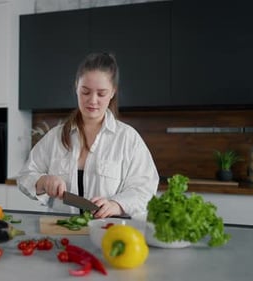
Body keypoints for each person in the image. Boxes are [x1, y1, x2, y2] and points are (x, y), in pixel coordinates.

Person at [17, 52, 159, 218]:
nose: (92, 100)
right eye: (85, 92)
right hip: (61, 233)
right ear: (76, 86)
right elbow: (25, 176)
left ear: (113, 92)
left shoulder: (128, 139)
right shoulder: (55, 137)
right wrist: (42, 181)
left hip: (107, 234)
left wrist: (117, 204)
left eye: (101, 93)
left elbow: (145, 189)